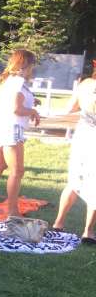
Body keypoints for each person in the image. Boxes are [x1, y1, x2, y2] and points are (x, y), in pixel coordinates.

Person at [0, 49, 40, 217]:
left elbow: (14, 101)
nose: (33, 69)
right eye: (33, 65)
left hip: (0, 126)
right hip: (12, 128)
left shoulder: (9, 80)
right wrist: (33, 111)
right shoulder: (18, 82)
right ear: (27, 65)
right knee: (17, 171)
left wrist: (31, 102)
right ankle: (13, 211)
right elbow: (16, 109)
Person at [52, 68, 96, 243]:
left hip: (82, 135)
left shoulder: (85, 84)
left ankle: (58, 223)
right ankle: (88, 232)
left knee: (74, 180)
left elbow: (70, 108)